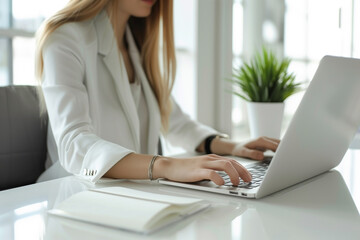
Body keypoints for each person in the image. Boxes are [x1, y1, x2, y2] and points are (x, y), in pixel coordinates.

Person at [35, 0, 279, 186]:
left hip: (127, 198)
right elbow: (74, 143)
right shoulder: (65, 38)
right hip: (69, 195)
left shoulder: (137, 47)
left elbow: (176, 122)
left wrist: (233, 146)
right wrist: (165, 165)